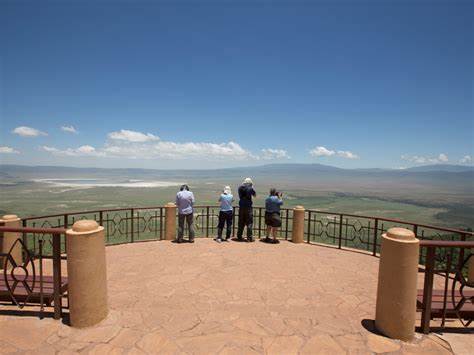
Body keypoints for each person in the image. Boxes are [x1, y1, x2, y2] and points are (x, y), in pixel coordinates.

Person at [236, 177, 256, 242]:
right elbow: (255, 195)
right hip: (248, 207)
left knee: (241, 222)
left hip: (241, 207)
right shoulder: (250, 188)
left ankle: (239, 236)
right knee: (249, 223)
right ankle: (249, 238)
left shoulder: (239, 188)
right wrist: (252, 188)